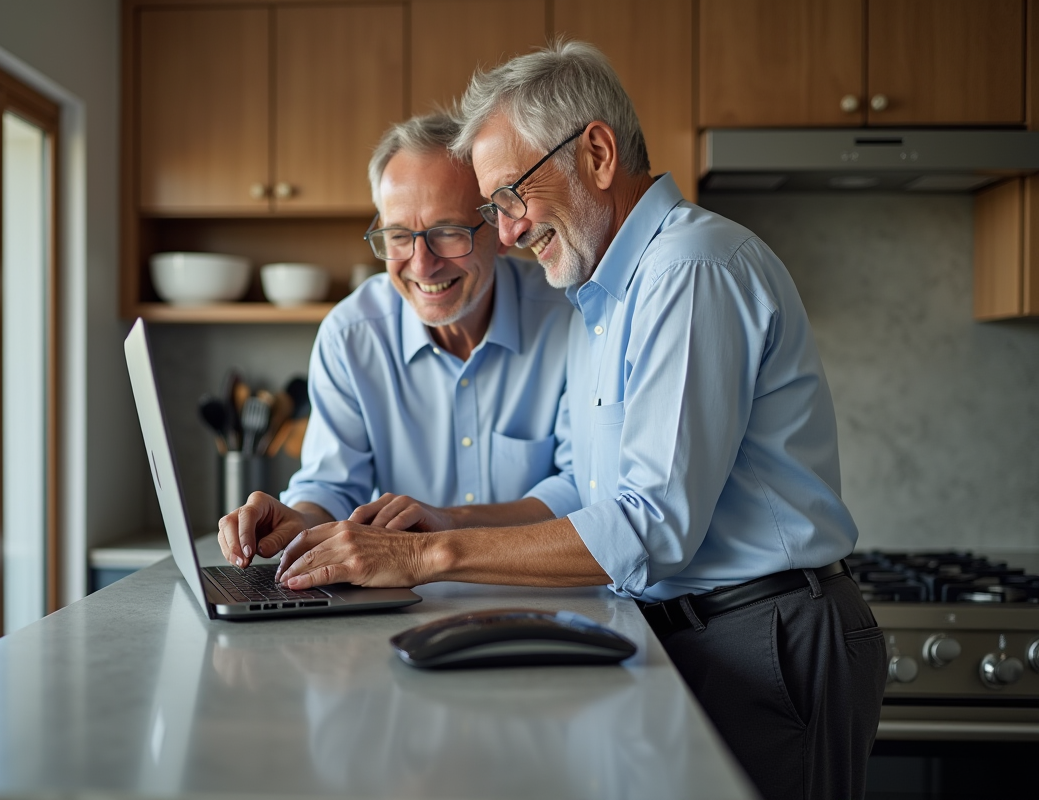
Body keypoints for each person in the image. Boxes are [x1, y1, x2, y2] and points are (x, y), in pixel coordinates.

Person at [247, 43, 888, 800]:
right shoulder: (607, 294)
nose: (508, 232)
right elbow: (591, 489)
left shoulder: (689, 271)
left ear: (597, 151)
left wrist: (424, 557)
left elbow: (649, 527)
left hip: (767, 635)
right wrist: (430, 527)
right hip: (701, 632)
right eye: (496, 210)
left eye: (509, 197)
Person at [217, 112, 577, 566]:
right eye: (399, 236)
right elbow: (330, 486)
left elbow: (580, 487)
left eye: (448, 233)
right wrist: (298, 519)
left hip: (544, 592)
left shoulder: (568, 318)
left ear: (501, 229)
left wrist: (448, 523)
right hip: (406, 604)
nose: (421, 265)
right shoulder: (350, 337)